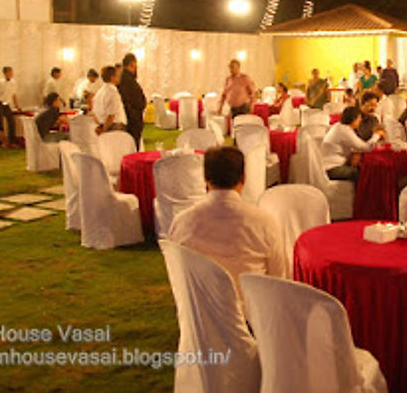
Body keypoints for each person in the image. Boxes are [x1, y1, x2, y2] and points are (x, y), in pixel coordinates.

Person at [167, 146, 287, 296]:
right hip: (251, 308)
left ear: (205, 179)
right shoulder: (264, 222)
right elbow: (278, 279)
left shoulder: (182, 222)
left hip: (199, 308)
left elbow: (178, 279)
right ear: (244, 178)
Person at [321, 106, 386, 181]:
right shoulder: (344, 130)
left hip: (327, 165)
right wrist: (377, 135)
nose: (360, 120)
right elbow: (366, 147)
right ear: (354, 119)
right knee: (366, 174)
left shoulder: (338, 126)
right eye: (359, 118)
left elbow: (354, 145)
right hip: (333, 169)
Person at [117, 53, 146, 150]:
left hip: (132, 117)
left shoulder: (125, 78)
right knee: (132, 146)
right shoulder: (127, 80)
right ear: (132, 65)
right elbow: (129, 100)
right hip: (132, 119)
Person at [92, 65, 126, 134]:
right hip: (114, 126)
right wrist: (104, 130)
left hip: (102, 124)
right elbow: (111, 115)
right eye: (117, 76)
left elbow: (94, 112)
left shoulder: (99, 92)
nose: (119, 77)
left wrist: (100, 127)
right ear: (112, 77)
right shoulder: (113, 92)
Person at [0, 66, 21, 148]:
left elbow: (14, 95)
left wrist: (17, 106)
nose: (11, 74)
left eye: (11, 72)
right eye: (9, 72)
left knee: (11, 122)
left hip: (7, 104)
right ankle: (2, 141)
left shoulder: (13, 82)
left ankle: (12, 141)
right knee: (0, 123)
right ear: (5, 73)